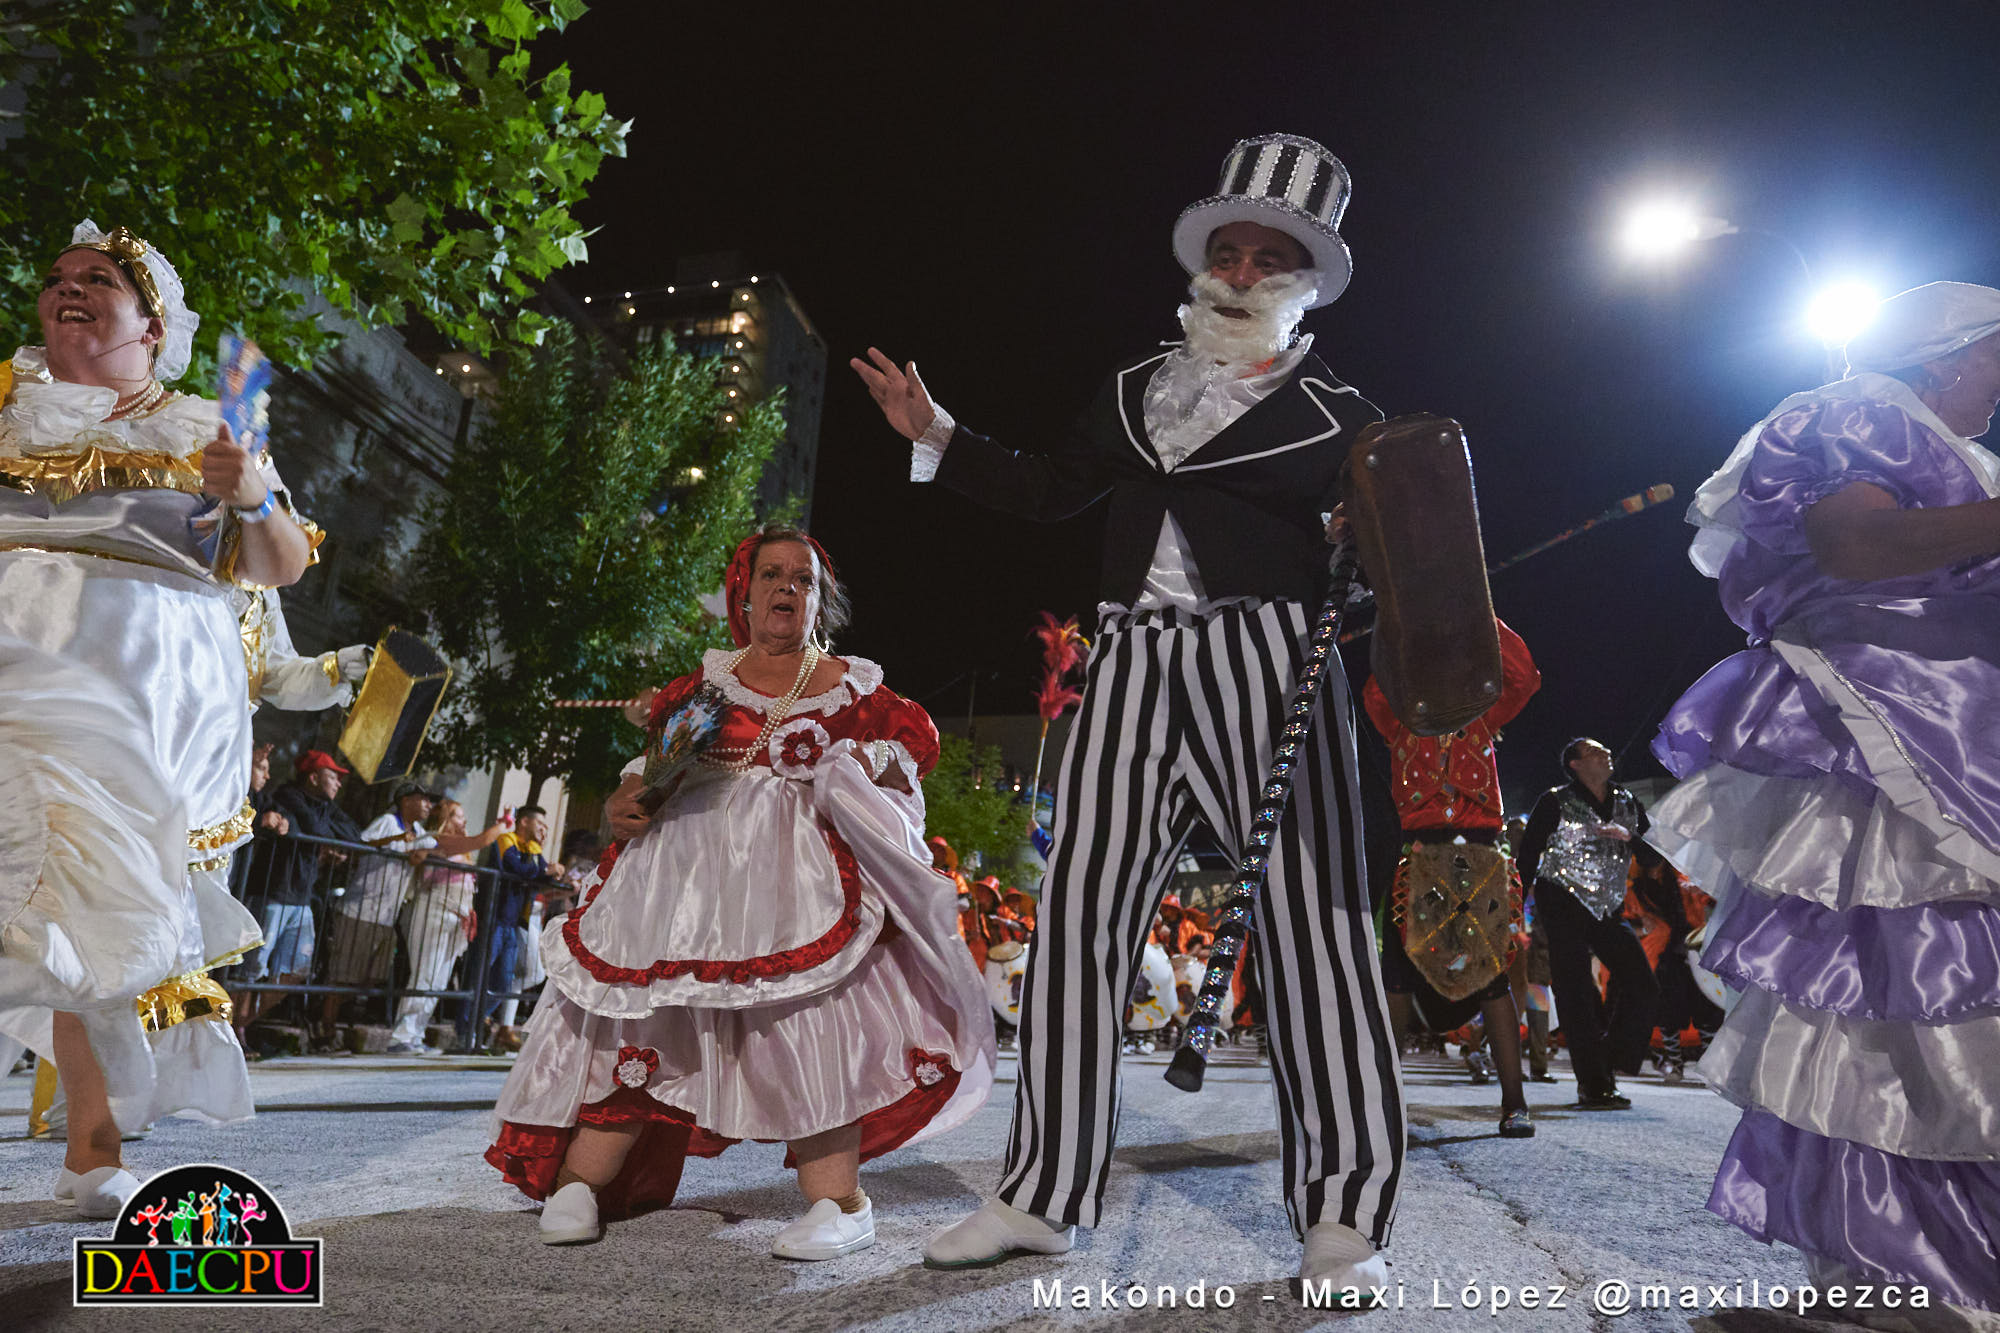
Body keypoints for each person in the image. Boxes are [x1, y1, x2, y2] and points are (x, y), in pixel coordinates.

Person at [854, 134, 1403, 1288]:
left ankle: (1343, 1213)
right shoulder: (1129, 388)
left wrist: (1359, 546)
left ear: (1304, 279)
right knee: (1076, 923)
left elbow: (1390, 573)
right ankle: (1041, 1194)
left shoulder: (1346, 417)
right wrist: (935, 433)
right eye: (1228, 250)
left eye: (1268, 257)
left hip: (1270, 658)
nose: (1241, 272)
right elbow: (1048, 490)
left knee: (1314, 930)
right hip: (1130, 660)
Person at [486, 524, 994, 1256]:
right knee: (645, 1022)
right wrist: (625, 797)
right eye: (772, 575)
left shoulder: (859, 694)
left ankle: (840, 1204)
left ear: (819, 601)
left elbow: (903, 775)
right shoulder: (699, 690)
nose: (787, 587)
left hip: (797, 896)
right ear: (745, 595)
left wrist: (856, 772)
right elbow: (652, 771)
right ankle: (580, 1184)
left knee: (808, 1027)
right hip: (680, 889)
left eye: (803, 579)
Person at [1646, 281, 2000, 1314]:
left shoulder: (1964, 456)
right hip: (1883, 737)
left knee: (1936, 1013)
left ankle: (1924, 1276)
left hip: (1955, 743)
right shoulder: (1866, 410)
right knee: (1891, 1017)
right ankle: (1896, 1275)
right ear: (1950, 353)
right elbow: (1852, 542)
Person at [0, 221, 317, 1218]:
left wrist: (253, 495)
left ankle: (92, 1151)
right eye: (59, 275)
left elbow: (279, 568)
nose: (70, 286)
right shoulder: (4, 406)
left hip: (146, 708)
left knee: (86, 918)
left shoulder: (201, 428)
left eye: (100, 278)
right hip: (15, 675)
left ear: (154, 326)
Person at [1363, 616, 1541, 1137]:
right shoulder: (1399, 721)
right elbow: (1376, 688)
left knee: (1492, 982)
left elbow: (1523, 676)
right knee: (1397, 979)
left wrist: (1471, 608)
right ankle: (1383, 1104)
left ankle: (1515, 1103)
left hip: (1478, 860)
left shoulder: (1484, 718)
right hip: (1417, 860)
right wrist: (1405, 620)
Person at [1515, 739, 1661, 1110]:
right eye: (1594, 752)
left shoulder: (1627, 801)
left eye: (1606, 751)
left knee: (1643, 984)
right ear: (1575, 765)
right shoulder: (1555, 801)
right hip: (1561, 899)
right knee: (1576, 990)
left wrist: (1629, 836)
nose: (1605, 754)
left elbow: (1652, 857)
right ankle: (1594, 1085)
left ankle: (1608, 1057)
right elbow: (1528, 854)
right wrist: (1515, 908)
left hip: (1608, 907)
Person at [234, 751, 364, 1041]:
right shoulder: (288, 796)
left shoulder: (325, 807)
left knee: (297, 969)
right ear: (314, 778)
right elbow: (318, 830)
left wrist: (323, 837)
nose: (339, 783)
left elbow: (354, 835)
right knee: (251, 968)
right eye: (333, 777)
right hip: (272, 893)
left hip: (301, 898)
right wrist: (325, 838)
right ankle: (234, 1031)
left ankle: (239, 1022)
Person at [389, 797, 506, 1053]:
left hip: (456, 915)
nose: (464, 821)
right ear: (445, 819)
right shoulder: (437, 840)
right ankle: (401, 1036)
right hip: (434, 909)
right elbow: (482, 840)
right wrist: (503, 825)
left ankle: (416, 1034)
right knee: (426, 974)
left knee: (439, 979)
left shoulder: (459, 849)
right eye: (458, 816)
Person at [482, 804, 560, 1051]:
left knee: (507, 978)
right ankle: (477, 1025)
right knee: (485, 973)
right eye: (540, 823)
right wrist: (546, 870)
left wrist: (556, 874)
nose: (544, 829)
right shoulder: (507, 839)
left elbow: (540, 877)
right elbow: (517, 869)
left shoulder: (534, 848)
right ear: (524, 821)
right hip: (499, 917)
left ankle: (488, 1020)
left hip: (515, 920)